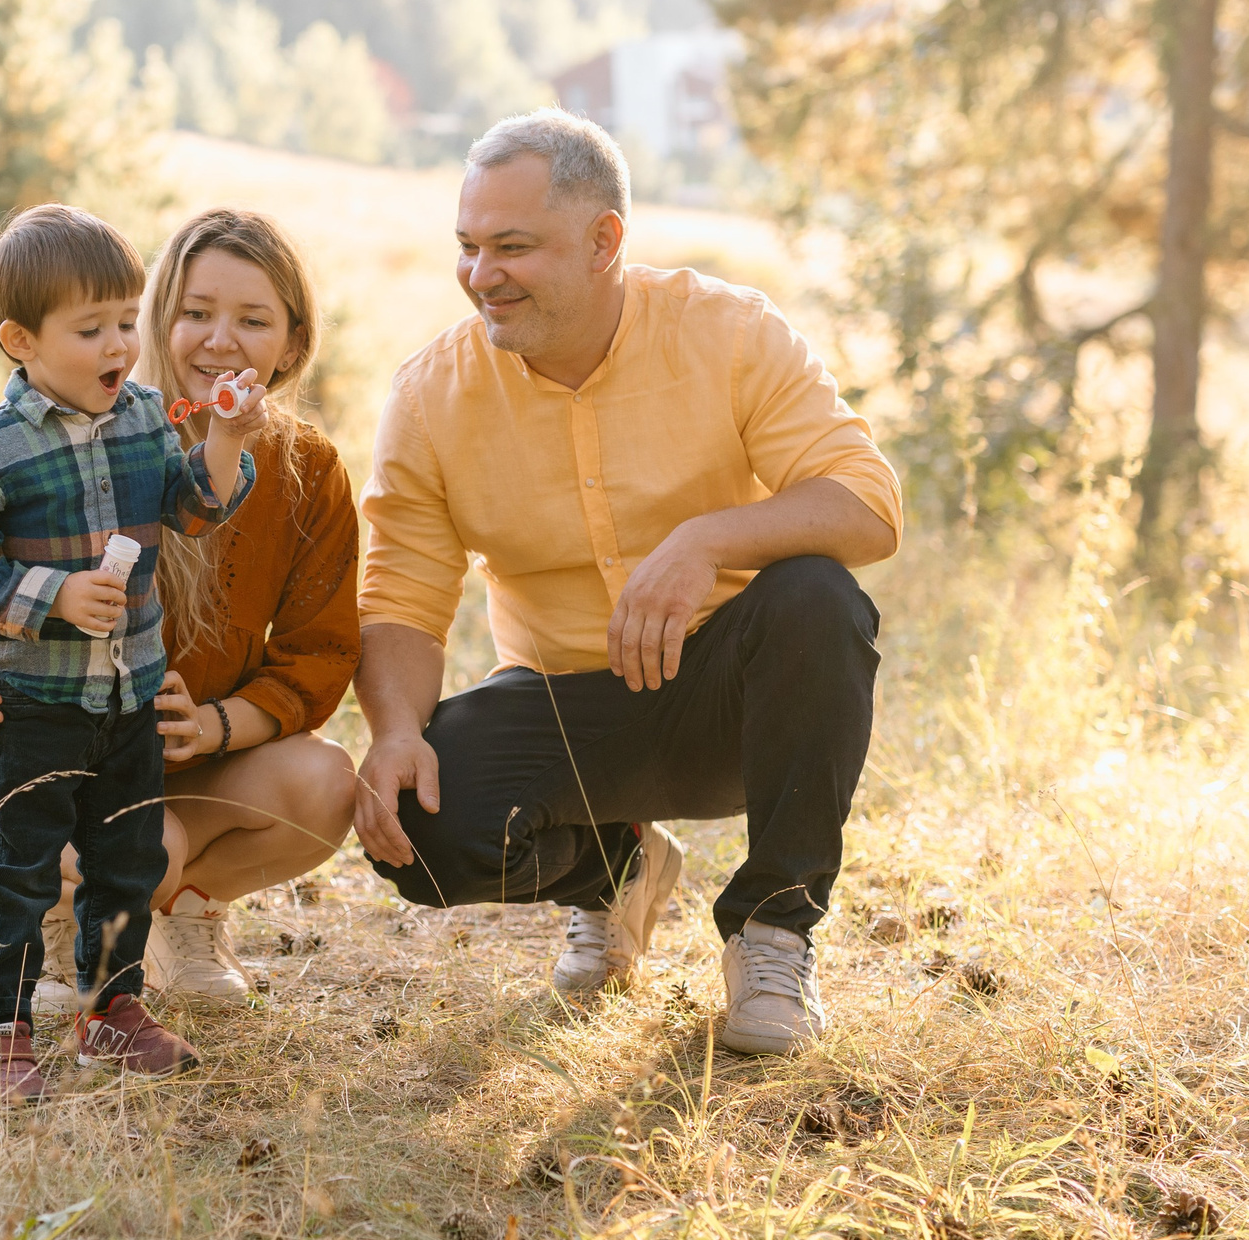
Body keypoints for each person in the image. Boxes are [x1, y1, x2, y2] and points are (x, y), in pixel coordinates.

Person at [351, 109, 902, 1055]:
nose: (483, 275)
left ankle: (772, 933)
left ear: (605, 240)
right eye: (469, 246)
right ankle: (613, 872)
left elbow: (869, 505)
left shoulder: (727, 333)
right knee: (416, 817)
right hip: (571, 712)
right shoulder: (432, 394)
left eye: (514, 246)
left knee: (817, 592)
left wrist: (708, 539)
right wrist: (397, 729)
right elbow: (401, 594)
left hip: (735, 703)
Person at [0, 208, 360, 1024]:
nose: (220, 340)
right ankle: (55, 920)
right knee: (78, 837)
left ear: (291, 345)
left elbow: (321, 651)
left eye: (253, 320)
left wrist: (218, 726)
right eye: (196, 312)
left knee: (325, 783)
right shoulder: (68, 424)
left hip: (178, 763)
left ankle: (186, 911)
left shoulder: (307, 470)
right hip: (46, 735)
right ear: (160, 316)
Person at [0, 204, 263, 1103]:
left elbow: (194, 507)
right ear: (20, 338)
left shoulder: (145, 416)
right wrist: (53, 597)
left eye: (126, 321)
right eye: (92, 329)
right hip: (37, 703)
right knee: (18, 873)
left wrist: (224, 439)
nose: (120, 344)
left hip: (130, 700)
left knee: (128, 862)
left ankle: (110, 1013)